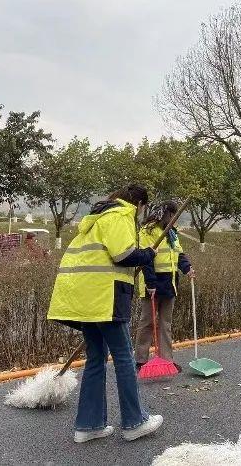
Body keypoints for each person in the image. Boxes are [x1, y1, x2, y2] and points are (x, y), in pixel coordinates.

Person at [48, 184, 163, 443]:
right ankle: (135, 422)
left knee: (96, 358)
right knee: (124, 357)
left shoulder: (97, 218)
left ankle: (88, 426)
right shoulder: (120, 216)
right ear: (139, 204)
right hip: (106, 297)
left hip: (85, 299)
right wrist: (148, 254)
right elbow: (123, 255)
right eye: (143, 208)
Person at [135, 200, 194, 372]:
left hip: (170, 283)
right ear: (166, 214)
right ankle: (140, 360)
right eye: (173, 215)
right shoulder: (148, 231)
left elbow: (179, 254)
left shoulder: (172, 233)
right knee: (147, 322)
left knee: (165, 324)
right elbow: (145, 258)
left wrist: (187, 268)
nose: (175, 219)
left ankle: (166, 360)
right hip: (152, 283)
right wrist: (150, 283)